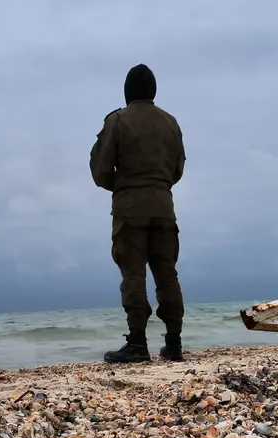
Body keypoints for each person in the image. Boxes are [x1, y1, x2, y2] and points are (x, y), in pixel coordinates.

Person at [89, 63, 186, 364]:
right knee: (167, 275)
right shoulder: (170, 122)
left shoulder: (117, 120)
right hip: (164, 208)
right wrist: (157, 185)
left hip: (130, 210)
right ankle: (174, 342)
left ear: (127, 92)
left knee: (133, 275)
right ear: (153, 91)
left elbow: (100, 170)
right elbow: (177, 169)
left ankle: (137, 343)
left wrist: (124, 185)